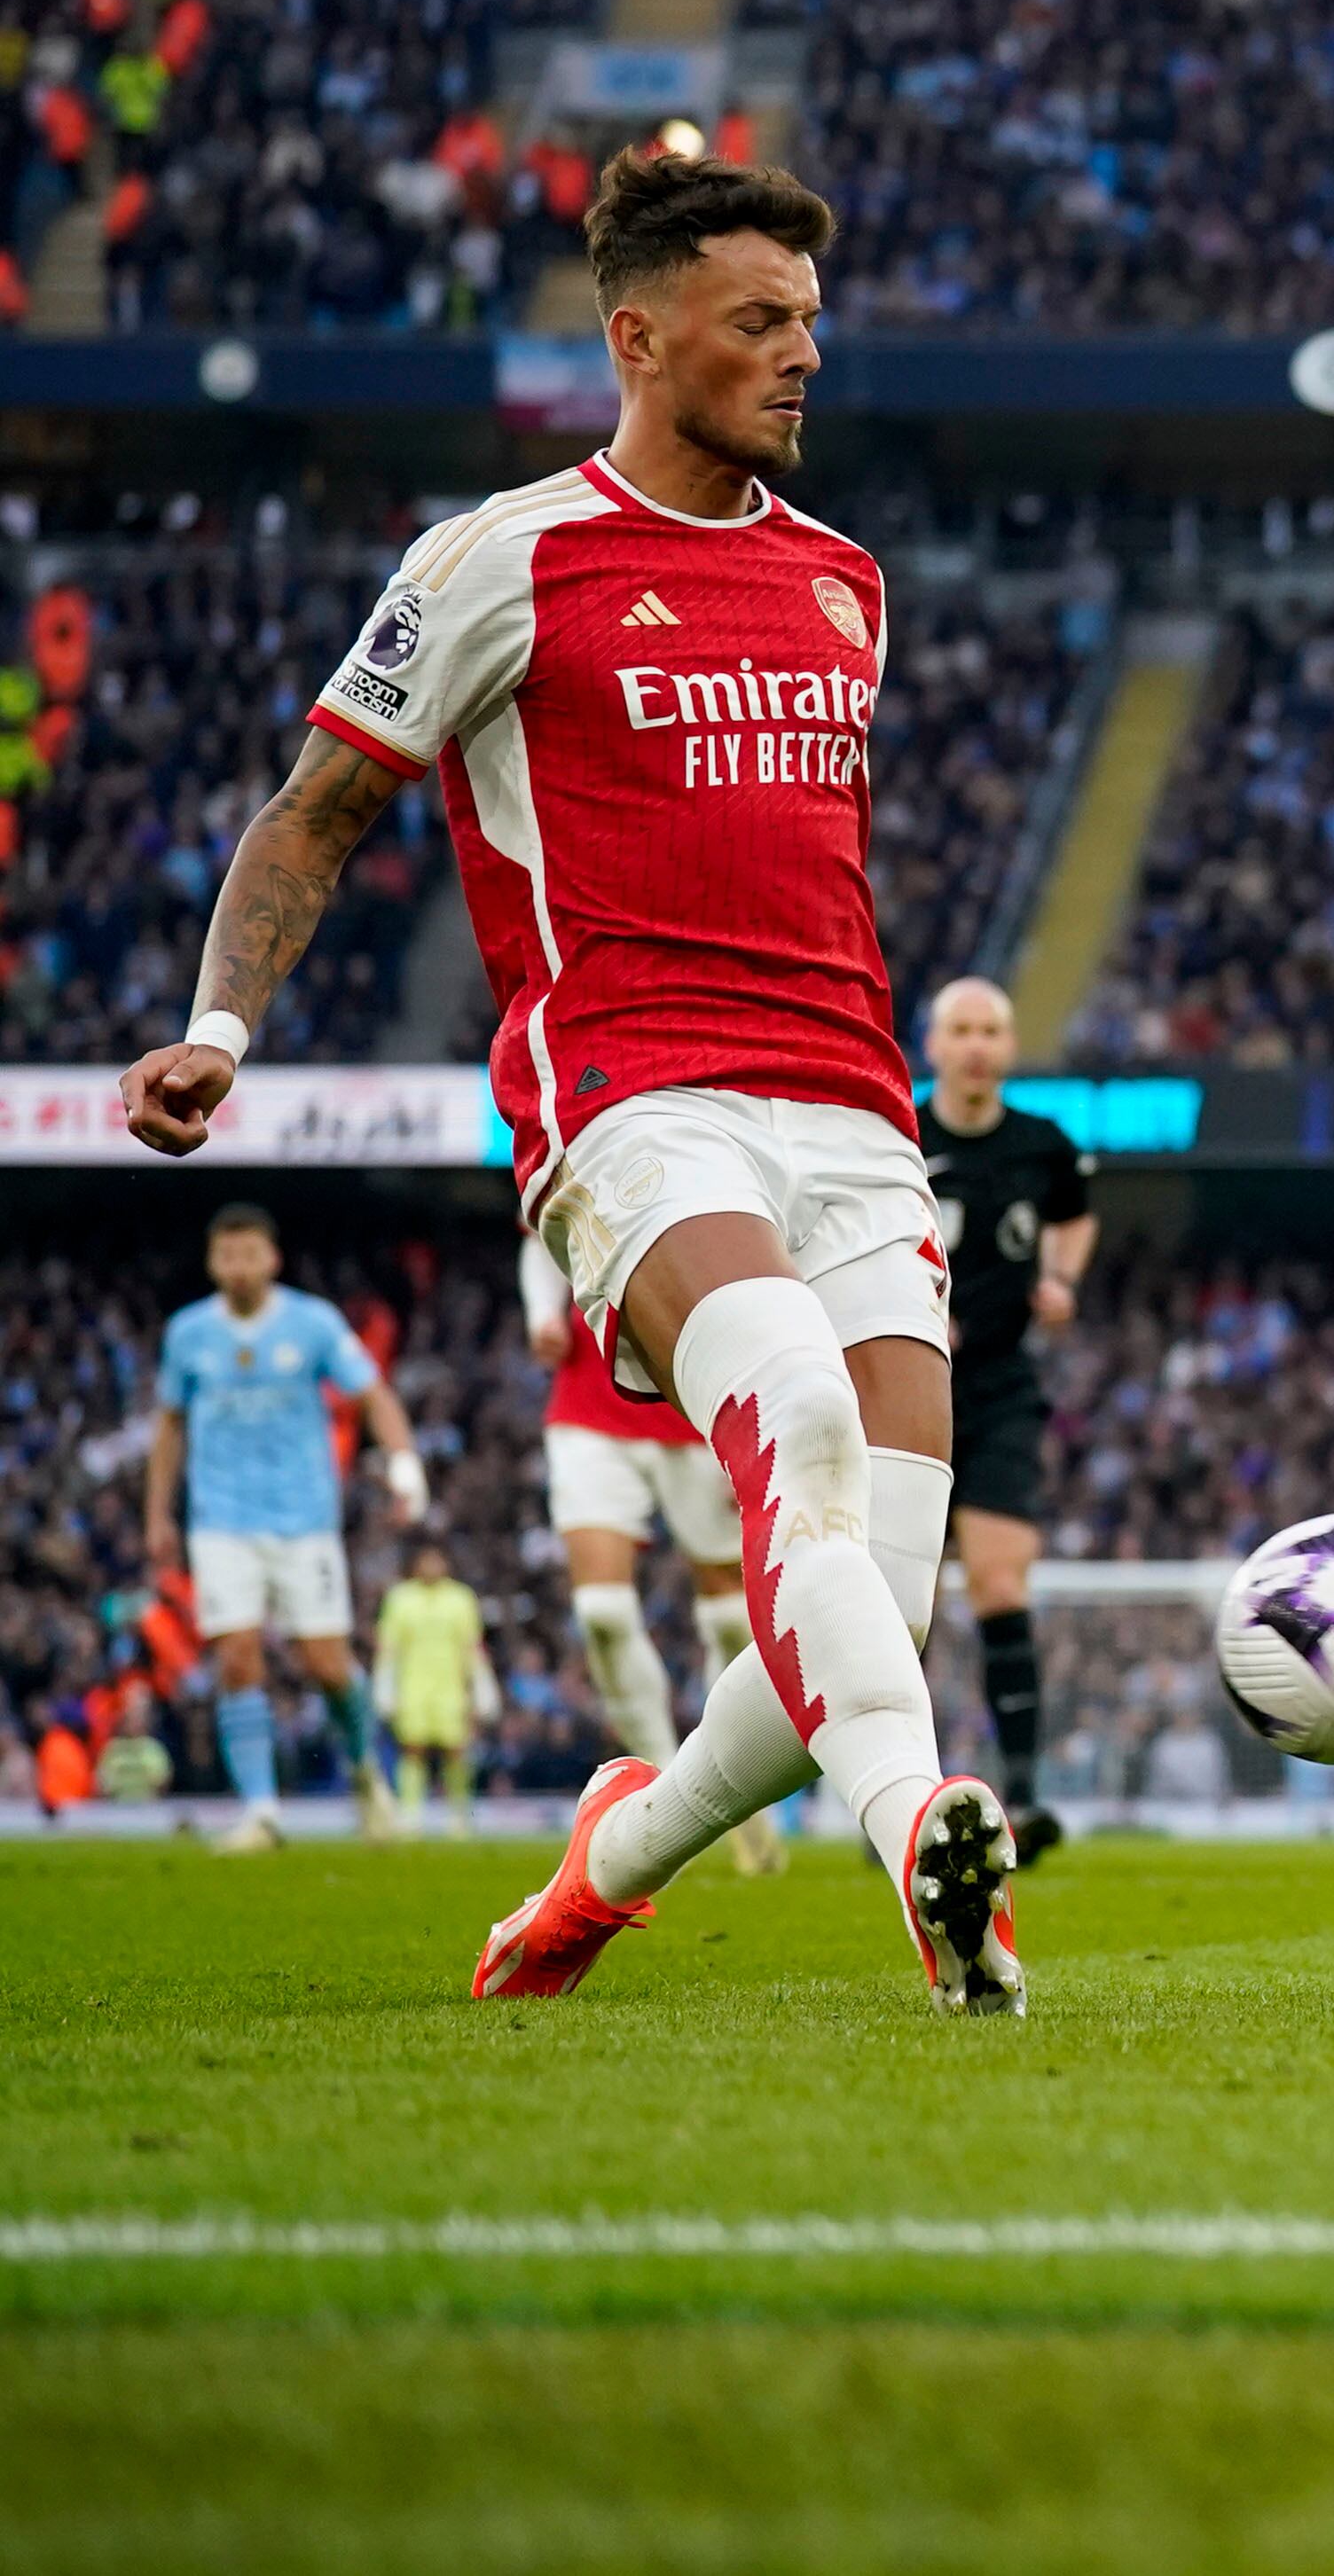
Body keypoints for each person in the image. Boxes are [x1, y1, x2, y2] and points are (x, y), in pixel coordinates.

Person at [118, 148, 1021, 2013]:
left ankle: (605, 1867)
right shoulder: (496, 560)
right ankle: (930, 1847)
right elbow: (315, 814)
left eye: (810, 325)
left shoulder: (845, 585)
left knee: (864, 1592)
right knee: (805, 1434)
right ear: (639, 337)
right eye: (759, 323)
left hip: (855, 1113)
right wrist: (222, 1029)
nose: (801, 360)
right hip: (634, 1099)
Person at [146, 1202, 428, 1851]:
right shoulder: (188, 1333)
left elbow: (373, 1394)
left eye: (250, 1254)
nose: (239, 1267)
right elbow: (168, 1426)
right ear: (213, 1262)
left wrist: (405, 1462)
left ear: (271, 1259)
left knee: (328, 1665)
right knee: (236, 1655)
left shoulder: (313, 1323)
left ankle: (365, 1775)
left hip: (305, 1519)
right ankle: (261, 1811)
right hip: (220, 1521)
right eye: (226, 1255)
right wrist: (158, 1513)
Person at [520, 1233, 781, 1875]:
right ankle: (672, 1799)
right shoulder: (583, 1140)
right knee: (602, 1613)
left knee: (730, 1618)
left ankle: (744, 1793)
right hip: (588, 1407)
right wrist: (541, 1314)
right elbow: (541, 1235)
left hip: (695, 1409)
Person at [917, 975, 1096, 1865]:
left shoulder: (1043, 1144)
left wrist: (1061, 1279)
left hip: (1000, 1391)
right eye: (963, 1029)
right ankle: (902, 1803)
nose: (979, 1043)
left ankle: (1021, 1797)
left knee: (998, 1584)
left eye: (993, 1028)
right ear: (935, 1045)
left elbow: (1074, 1216)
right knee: (899, 1607)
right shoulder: (900, 1138)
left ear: (1009, 1044)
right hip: (905, 1391)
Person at [374, 1540, 496, 1836]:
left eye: (436, 1560)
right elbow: (389, 1647)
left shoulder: (460, 1598)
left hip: (450, 1687)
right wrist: (384, 1686)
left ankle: (459, 1814)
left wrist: (482, 1686)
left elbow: (472, 1646)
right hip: (412, 1687)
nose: (431, 1567)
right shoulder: (400, 1598)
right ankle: (410, 1813)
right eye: (425, 1561)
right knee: (412, 1749)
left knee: (456, 1750)